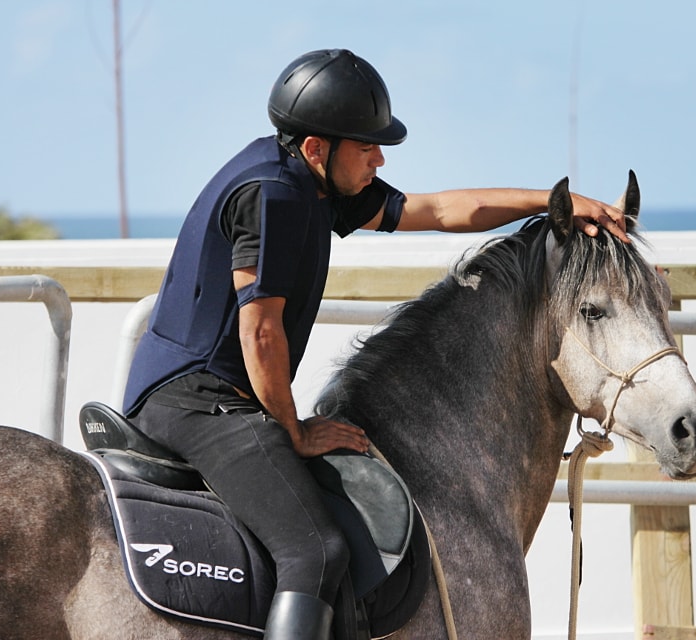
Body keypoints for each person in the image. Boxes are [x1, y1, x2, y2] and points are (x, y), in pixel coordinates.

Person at [122, 48, 629, 640]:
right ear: (317, 148)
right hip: (198, 403)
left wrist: (550, 202)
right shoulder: (273, 196)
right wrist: (295, 429)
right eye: (367, 147)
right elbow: (259, 332)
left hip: (217, 396)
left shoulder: (309, 182)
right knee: (314, 552)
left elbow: (439, 209)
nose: (379, 158)